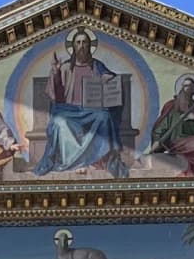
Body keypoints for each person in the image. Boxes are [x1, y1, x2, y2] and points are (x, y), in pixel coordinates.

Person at [33, 30, 128, 176]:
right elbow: (56, 96)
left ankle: (99, 160)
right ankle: (70, 163)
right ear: (73, 46)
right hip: (69, 110)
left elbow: (111, 78)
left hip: (91, 110)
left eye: (85, 42)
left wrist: (108, 78)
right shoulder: (65, 67)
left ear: (90, 46)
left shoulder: (97, 66)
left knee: (104, 117)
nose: (81, 46)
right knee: (59, 122)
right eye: (78, 42)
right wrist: (56, 73)